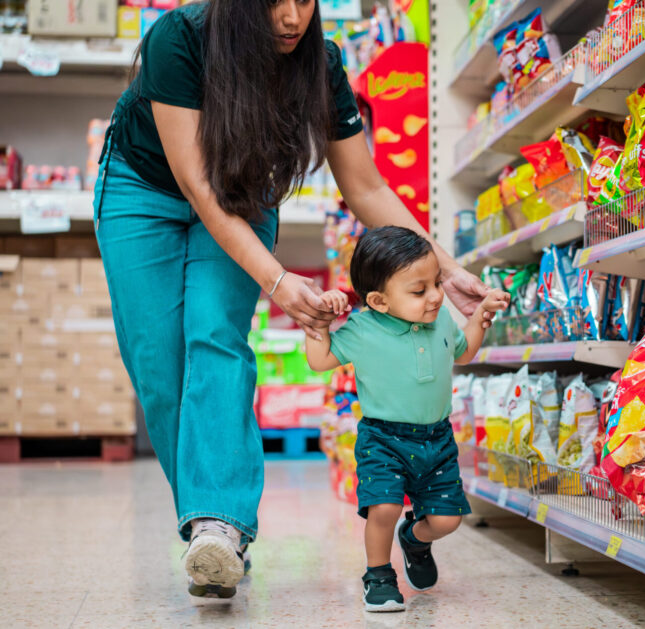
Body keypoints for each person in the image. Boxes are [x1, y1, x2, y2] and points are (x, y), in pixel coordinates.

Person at [93, 0, 493, 601]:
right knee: (158, 365)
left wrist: (445, 267)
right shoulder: (180, 39)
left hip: (245, 192)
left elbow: (366, 185)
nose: (291, 17)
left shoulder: (320, 63)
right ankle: (210, 518)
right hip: (143, 189)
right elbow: (200, 190)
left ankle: (219, 528)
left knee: (215, 335)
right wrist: (279, 281)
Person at [305, 226, 509, 612]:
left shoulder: (442, 321)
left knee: (447, 521)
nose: (435, 296)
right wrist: (318, 324)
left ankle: (415, 538)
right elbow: (319, 360)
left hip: (438, 439)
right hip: (383, 438)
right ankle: (379, 575)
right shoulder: (362, 330)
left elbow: (463, 353)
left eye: (436, 283)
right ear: (379, 301)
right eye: (419, 291)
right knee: (383, 508)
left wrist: (481, 314)